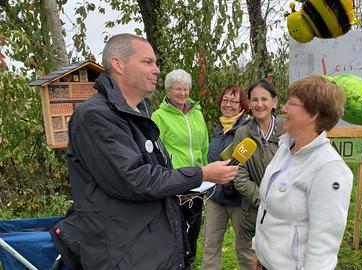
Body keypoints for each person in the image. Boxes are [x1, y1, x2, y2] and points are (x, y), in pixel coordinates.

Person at [50, 33, 238, 270]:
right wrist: (201, 174)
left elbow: (158, 171)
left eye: (156, 63)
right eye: (147, 62)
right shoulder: (96, 117)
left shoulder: (140, 113)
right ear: (118, 64)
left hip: (152, 248)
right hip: (124, 254)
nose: (157, 70)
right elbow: (135, 179)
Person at [252, 75, 353, 270]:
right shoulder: (285, 147)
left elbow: (324, 241)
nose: (283, 108)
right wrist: (259, 249)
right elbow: (266, 206)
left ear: (313, 114)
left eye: (291, 103)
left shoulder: (329, 169)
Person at [150, 69, 208, 268]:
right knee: (177, 230)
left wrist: (205, 170)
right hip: (175, 181)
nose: (182, 94)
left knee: (194, 229)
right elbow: (156, 151)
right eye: (177, 90)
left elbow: (204, 145)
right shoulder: (159, 116)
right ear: (168, 90)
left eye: (185, 89)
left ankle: (189, 262)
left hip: (197, 182)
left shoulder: (197, 113)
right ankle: (177, 263)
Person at [232, 79, 285, 269]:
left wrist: (279, 200)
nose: (259, 104)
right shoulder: (243, 133)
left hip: (284, 215)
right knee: (251, 263)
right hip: (253, 215)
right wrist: (263, 199)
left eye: (264, 99)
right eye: (254, 99)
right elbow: (239, 174)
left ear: (275, 102)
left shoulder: (287, 129)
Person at [202, 85, 251, 270]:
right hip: (216, 196)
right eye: (225, 100)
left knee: (245, 249)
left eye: (234, 101)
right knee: (210, 245)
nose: (228, 105)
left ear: (242, 105)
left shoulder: (247, 128)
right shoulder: (219, 127)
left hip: (239, 199)